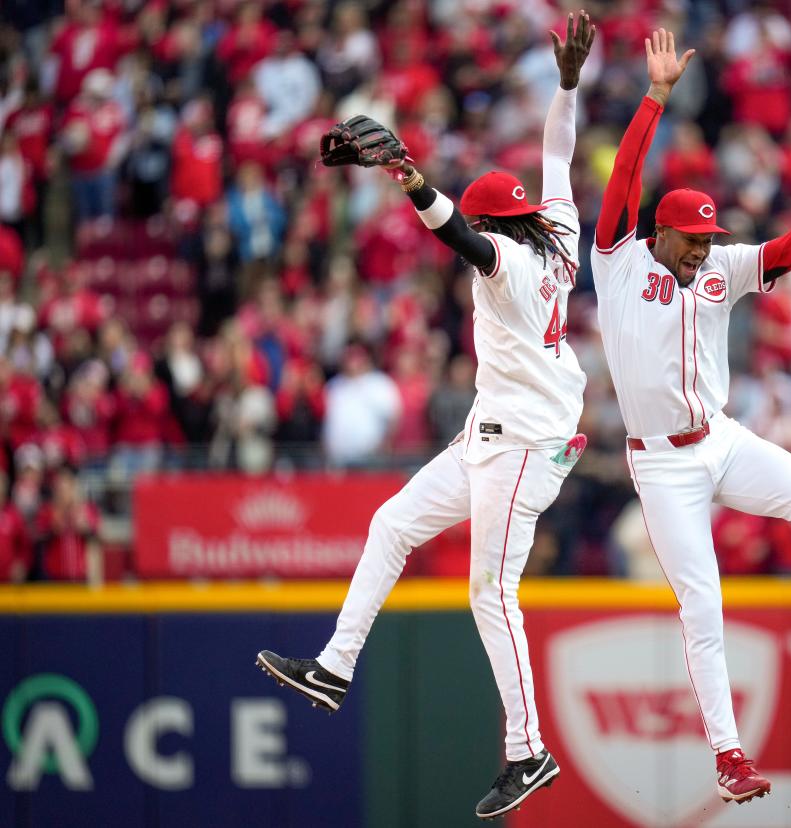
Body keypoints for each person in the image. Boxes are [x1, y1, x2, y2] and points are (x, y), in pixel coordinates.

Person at [256, 13, 596, 820]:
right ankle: (335, 669)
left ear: (495, 222)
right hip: (494, 430)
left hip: (525, 444)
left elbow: (459, 240)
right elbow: (560, 149)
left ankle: (528, 751)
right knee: (391, 525)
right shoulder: (560, 234)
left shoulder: (506, 259)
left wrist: (411, 178)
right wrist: (569, 84)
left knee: (492, 594)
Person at [590, 28, 791, 806]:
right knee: (704, 604)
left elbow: (788, 251)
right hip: (661, 463)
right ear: (659, 232)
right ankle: (730, 758)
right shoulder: (620, 261)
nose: (704, 250)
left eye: (709, 239)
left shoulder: (720, 270)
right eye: (692, 240)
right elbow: (625, 174)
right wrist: (656, 97)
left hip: (720, 440)